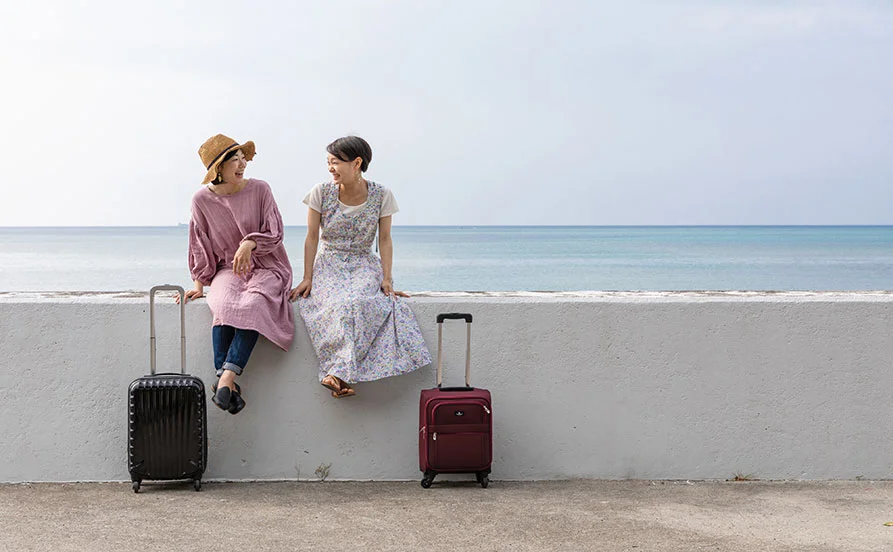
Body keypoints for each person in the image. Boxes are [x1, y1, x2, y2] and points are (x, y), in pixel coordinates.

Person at [291, 136, 431, 398]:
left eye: (335, 162)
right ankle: (336, 373)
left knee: (364, 303)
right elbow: (312, 237)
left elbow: (385, 239)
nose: (330, 168)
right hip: (329, 262)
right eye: (328, 162)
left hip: (364, 262)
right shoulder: (321, 192)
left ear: (357, 163)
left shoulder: (382, 195)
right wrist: (307, 276)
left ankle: (337, 375)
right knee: (339, 306)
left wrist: (387, 278)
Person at [178, 134, 294, 414]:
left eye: (243, 158)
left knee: (253, 304)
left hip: (268, 265)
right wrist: (199, 284)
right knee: (222, 304)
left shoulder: (261, 190)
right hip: (227, 269)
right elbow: (199, 243)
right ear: (218, 168)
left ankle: (225, 378)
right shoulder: (201, 200)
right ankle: (227, 385)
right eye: (234, 159)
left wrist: (249, 243)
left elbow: (275, 234)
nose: (242, 164)